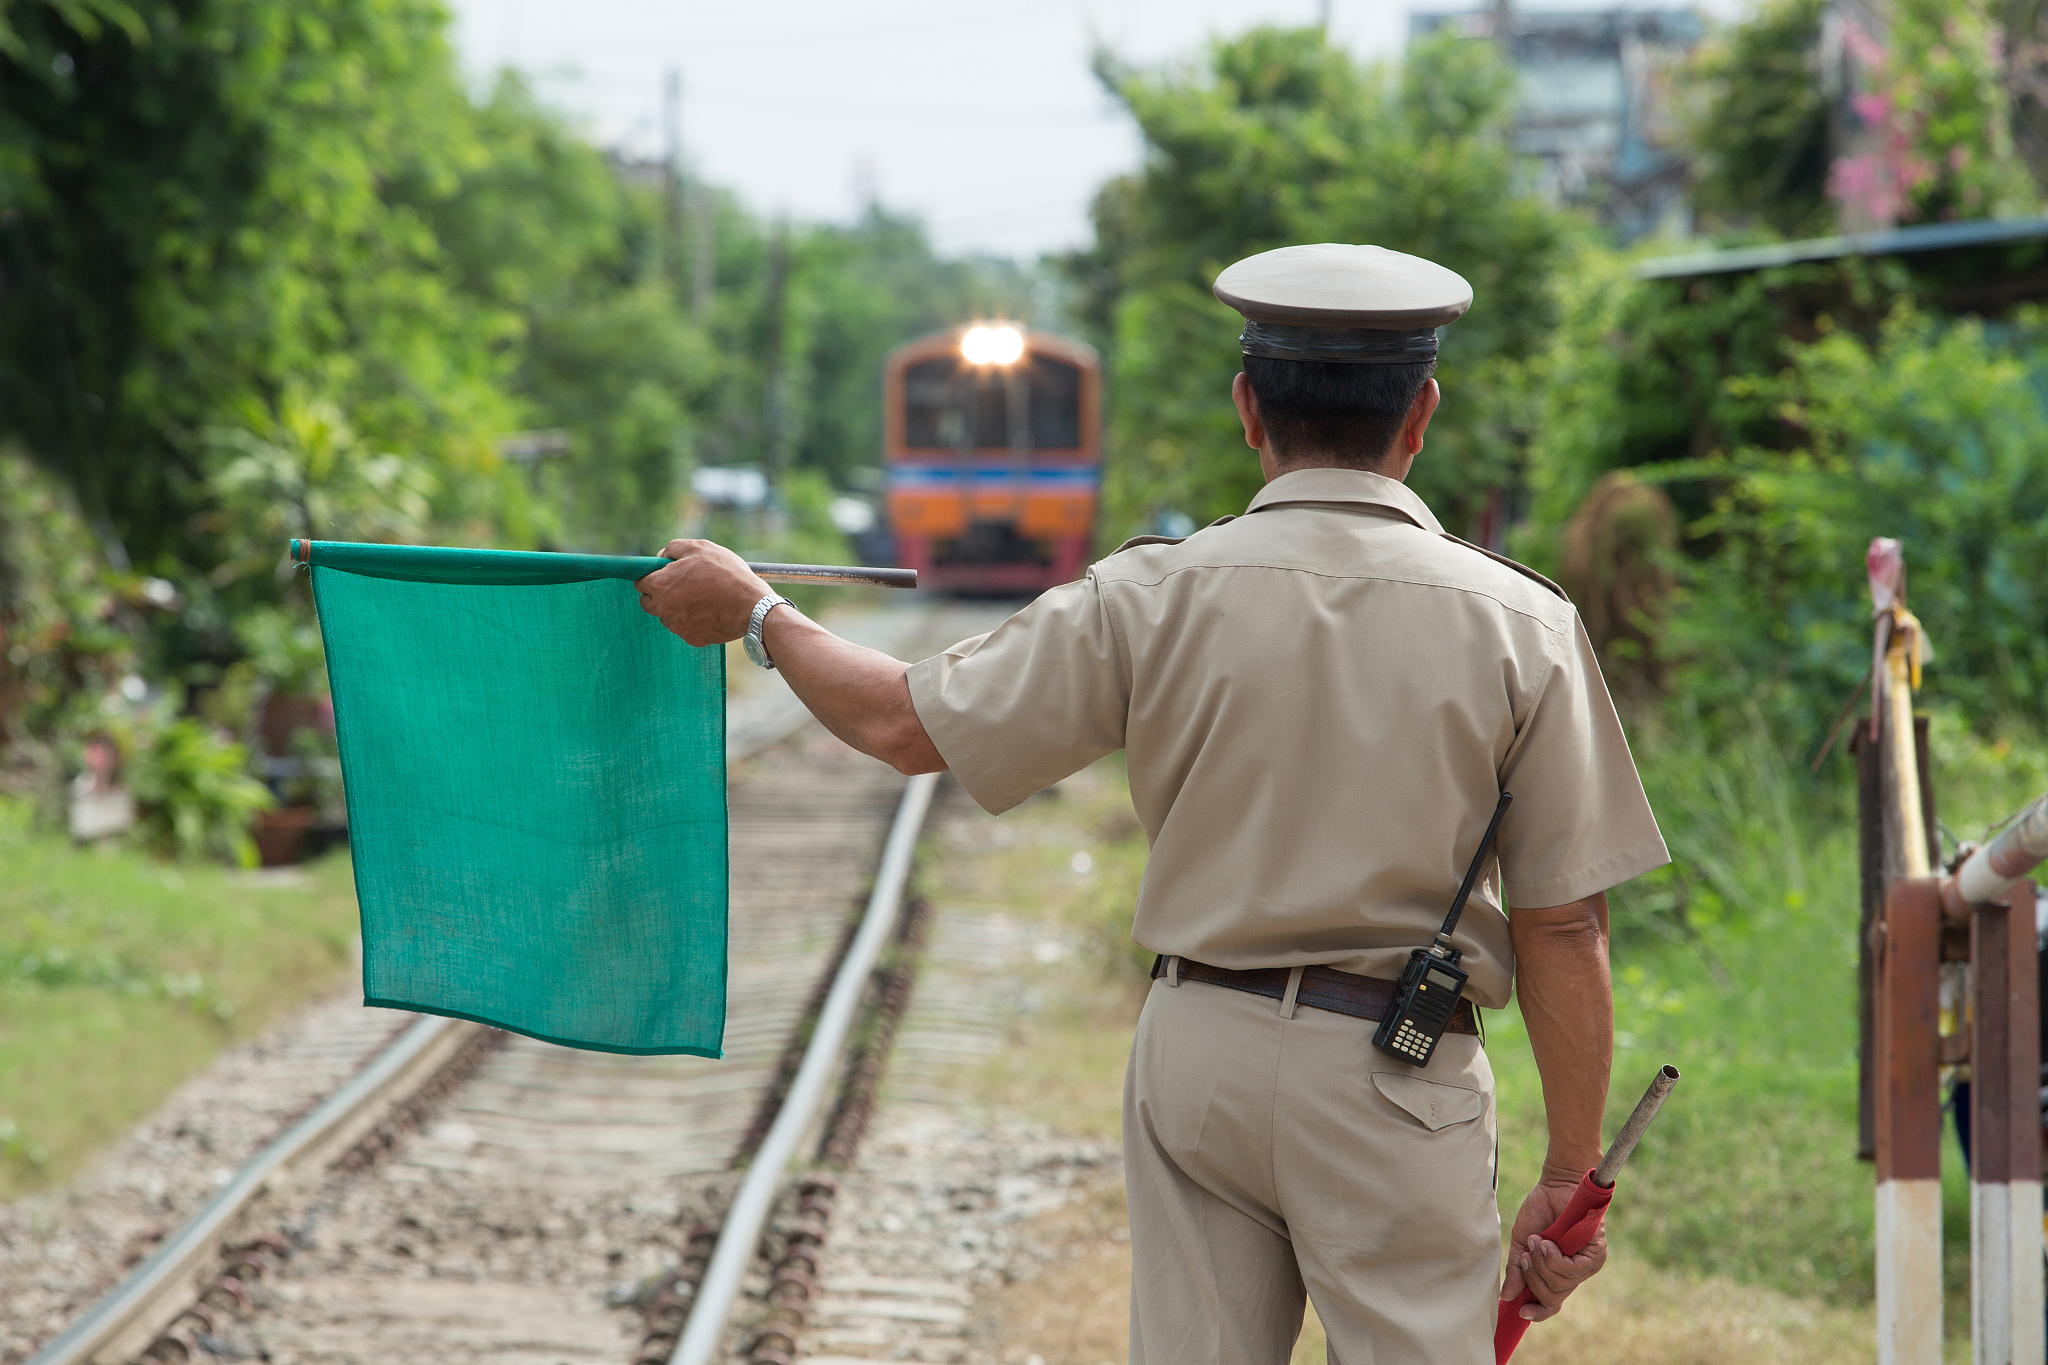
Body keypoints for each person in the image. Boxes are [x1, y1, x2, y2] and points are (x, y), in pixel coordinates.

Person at [635, 242, 1669, 1365]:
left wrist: (758, 612)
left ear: (1246, 411)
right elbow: (1563, 921)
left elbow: (898, 722)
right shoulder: (1522, 624)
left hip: (1197, 1052)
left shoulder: (1149, 595)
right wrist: (1568, 1178)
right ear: (1419, 414)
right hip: (1396, 1074)